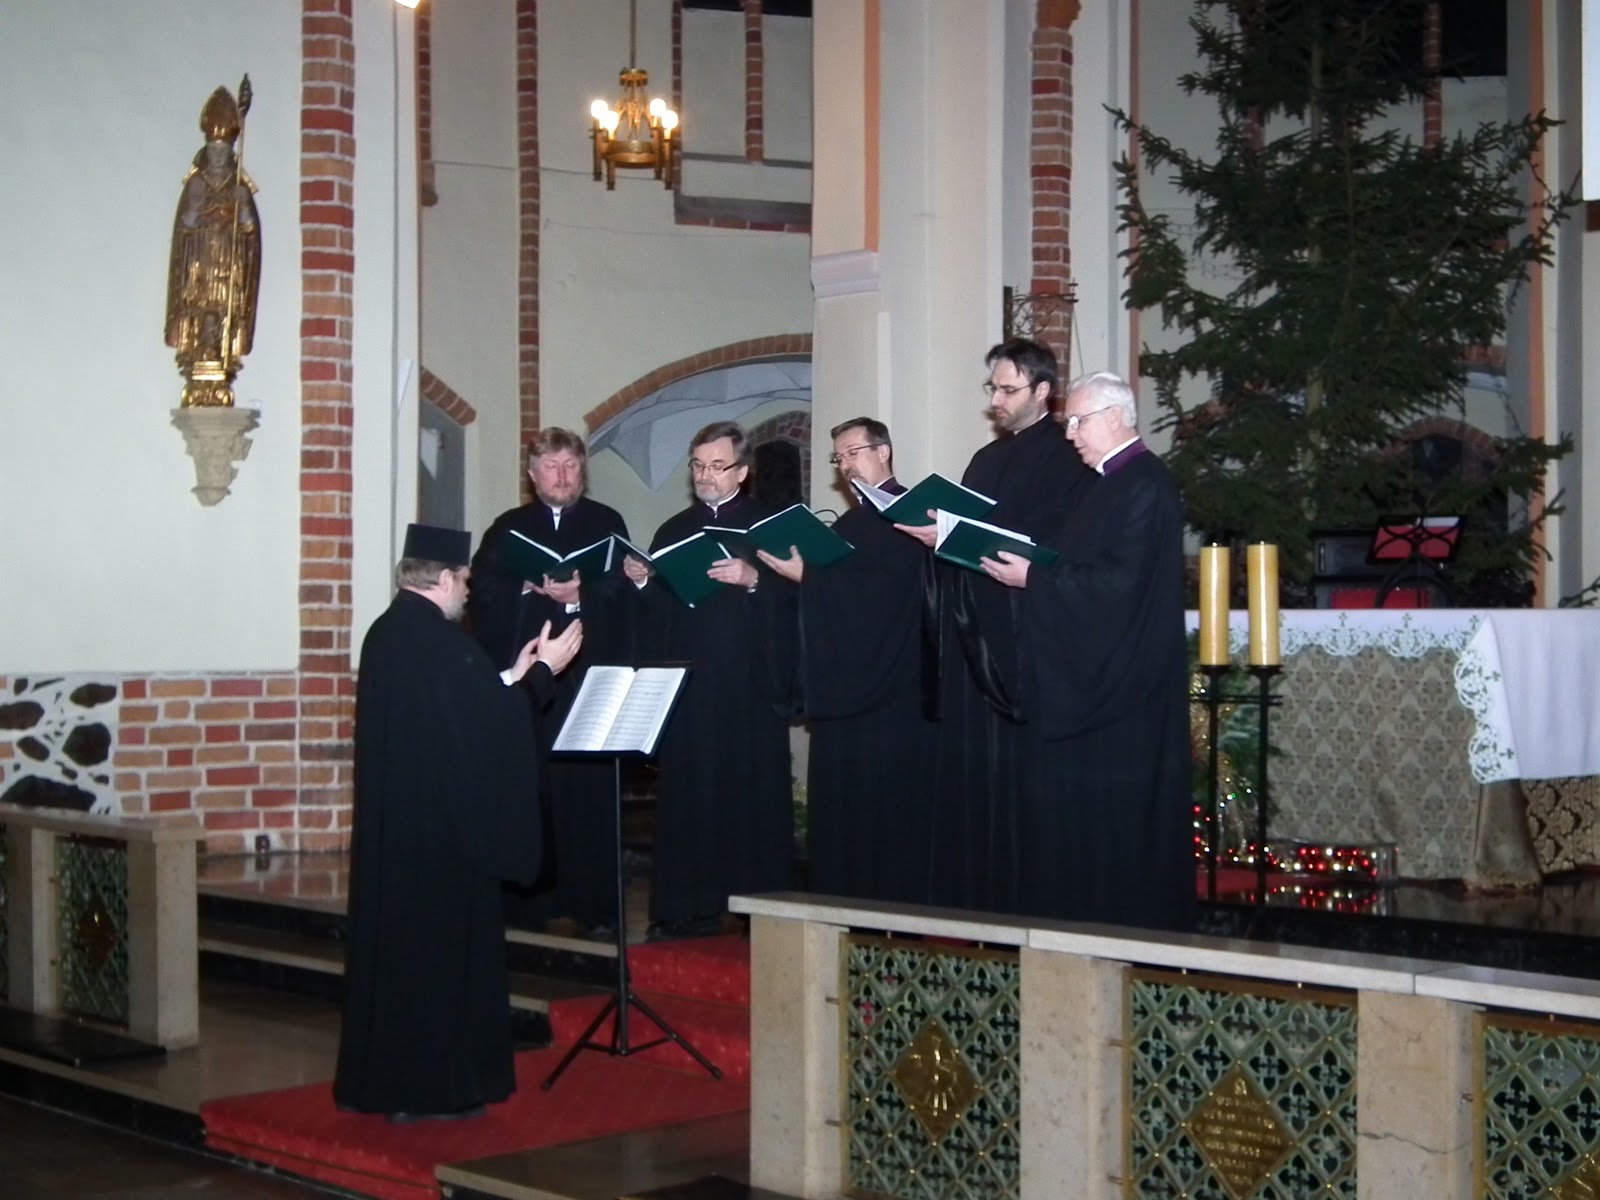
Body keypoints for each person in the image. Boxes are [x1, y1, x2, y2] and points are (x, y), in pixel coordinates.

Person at [335, 523, 583, 1122]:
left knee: (398, 967)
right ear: (443, 578)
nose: (469, 591)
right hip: (443, 846)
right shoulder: (447, 647)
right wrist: (544, 673)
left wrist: (513, 676)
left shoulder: (387, 634)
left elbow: (459, 714)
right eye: (465, 579)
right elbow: (490, 731)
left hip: (400, 835)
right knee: (438, 967)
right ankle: (434, 1093)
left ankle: (388, 1086)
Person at [983, 372, 1195, 931]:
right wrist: (1031, 565)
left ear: (1116, 417)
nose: (1071, 434)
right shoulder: (1109, 485)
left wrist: (1035, 579)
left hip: (1125, 692)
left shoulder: (1144, 484)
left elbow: (1119, 586)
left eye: (1078, 421)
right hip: (1101, 678)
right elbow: (1083, 567)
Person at [896, 337, 1096, 913]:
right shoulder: (985, 461)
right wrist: (940, 536)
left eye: (1008, 389)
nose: (996, 401)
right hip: (974, 630)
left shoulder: (1071, 459)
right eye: (993, 388)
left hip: (1027, 638)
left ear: (1043, 390)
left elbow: (1067, 547)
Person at [623, 421, 799, 936]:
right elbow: (659, 615)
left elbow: (801, 603)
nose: (705, 475)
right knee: (690, 798)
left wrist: (755, 581)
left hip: (750, 687)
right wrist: (643, 584)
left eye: (717, 466)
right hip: (693, 690)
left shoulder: (770, 528)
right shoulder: (673, 531)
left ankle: (759, 911)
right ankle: (688, 907)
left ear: (742, 472)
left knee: (751, 798)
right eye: (698, 466)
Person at [758, 418, 935, 903]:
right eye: (839, 458)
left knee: (892, 817)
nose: (845, 466)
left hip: (896, 697)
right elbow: (836, 602)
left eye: (853, 453)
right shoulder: (850, 525)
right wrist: (799, 580)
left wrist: (810, 578)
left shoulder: (914, 518)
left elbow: (884, 597)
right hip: (843, 695)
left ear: (884, 452)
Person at [467, 429, 631, 936]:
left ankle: (594, 905)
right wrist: (526, 588)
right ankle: (529, 905)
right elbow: (480, 593)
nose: (561, 476)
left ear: (583, 470)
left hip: (586, 683)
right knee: (529, 790)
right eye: (550, 467)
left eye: (570, 466)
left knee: (588, 795)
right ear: (532, 474)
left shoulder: (607, 523)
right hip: (532, 686)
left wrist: (580, 598)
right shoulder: (507, 528)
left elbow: (626, 594)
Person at [164, 84, 261, 409]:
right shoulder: (195, 183)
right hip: (201, 260)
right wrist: (195, 209)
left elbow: (249, 231)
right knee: (201, 306)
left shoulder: (239, 186)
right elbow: (186, 227)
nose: (218, 157)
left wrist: (243, 208)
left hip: (228, 261)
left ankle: (221, 350)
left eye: (223, 152)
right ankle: (199, 348)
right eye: (213, 151)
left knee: (223, 308)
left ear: (231, 151)